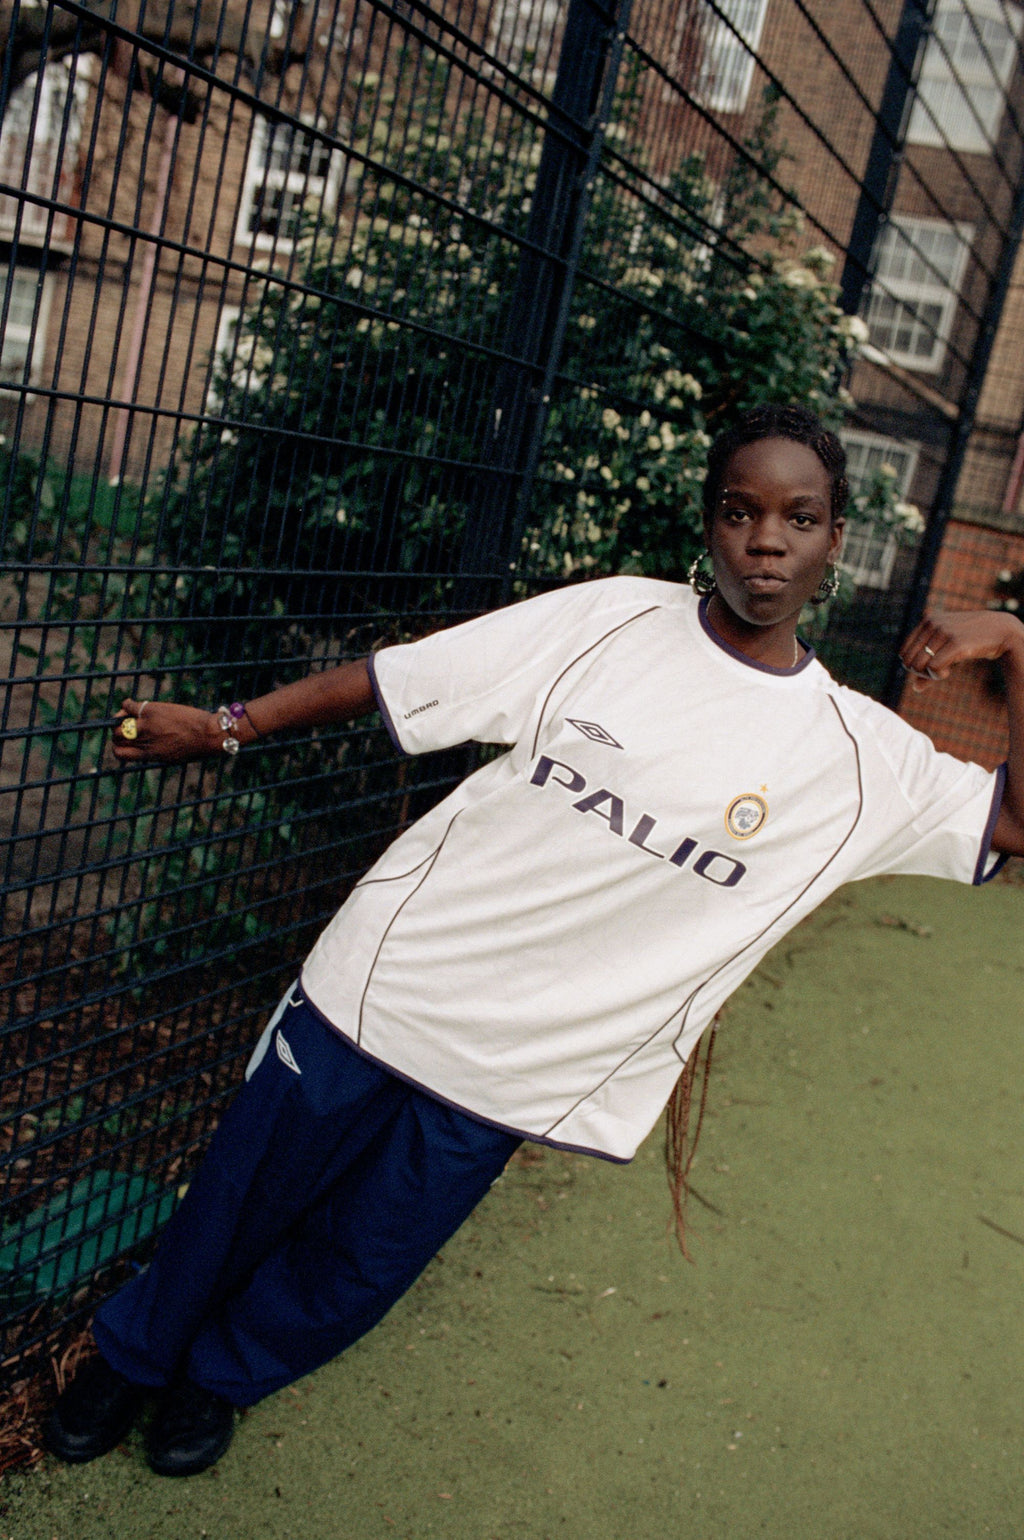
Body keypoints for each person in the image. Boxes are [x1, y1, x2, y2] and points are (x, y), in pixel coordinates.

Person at [45, 404, 1024, 1477]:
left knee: (357, 1263)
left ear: (836, 539)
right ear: (708, 525)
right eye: (739, 511)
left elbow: (1012, 825)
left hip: (521, 1064)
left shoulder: (858, 757)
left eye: (799, 516)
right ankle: (132, 1360)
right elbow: (404, 680)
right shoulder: (611, 619)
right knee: (242, 1190)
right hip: (391, 980)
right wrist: (229, 726)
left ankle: (216, 1379)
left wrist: (1017, 643)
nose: (765, 540)